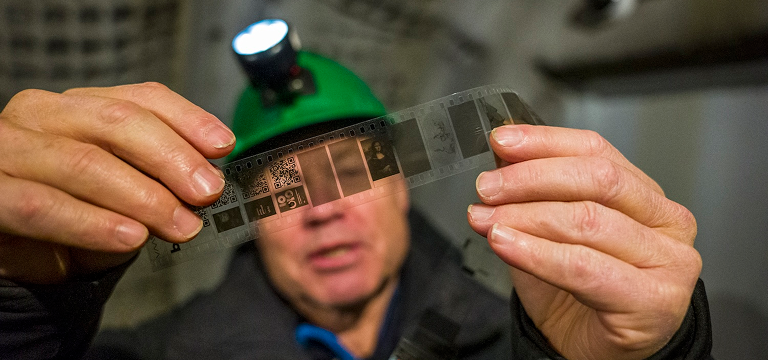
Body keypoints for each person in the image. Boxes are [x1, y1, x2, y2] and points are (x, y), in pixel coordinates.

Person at [0, 48, 711, 360]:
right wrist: (18, 308)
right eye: (281, 189)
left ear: (402, 185)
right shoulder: (153, 354)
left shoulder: (538, 342)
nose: (321, 208)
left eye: (351, 171)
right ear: (247, 221)